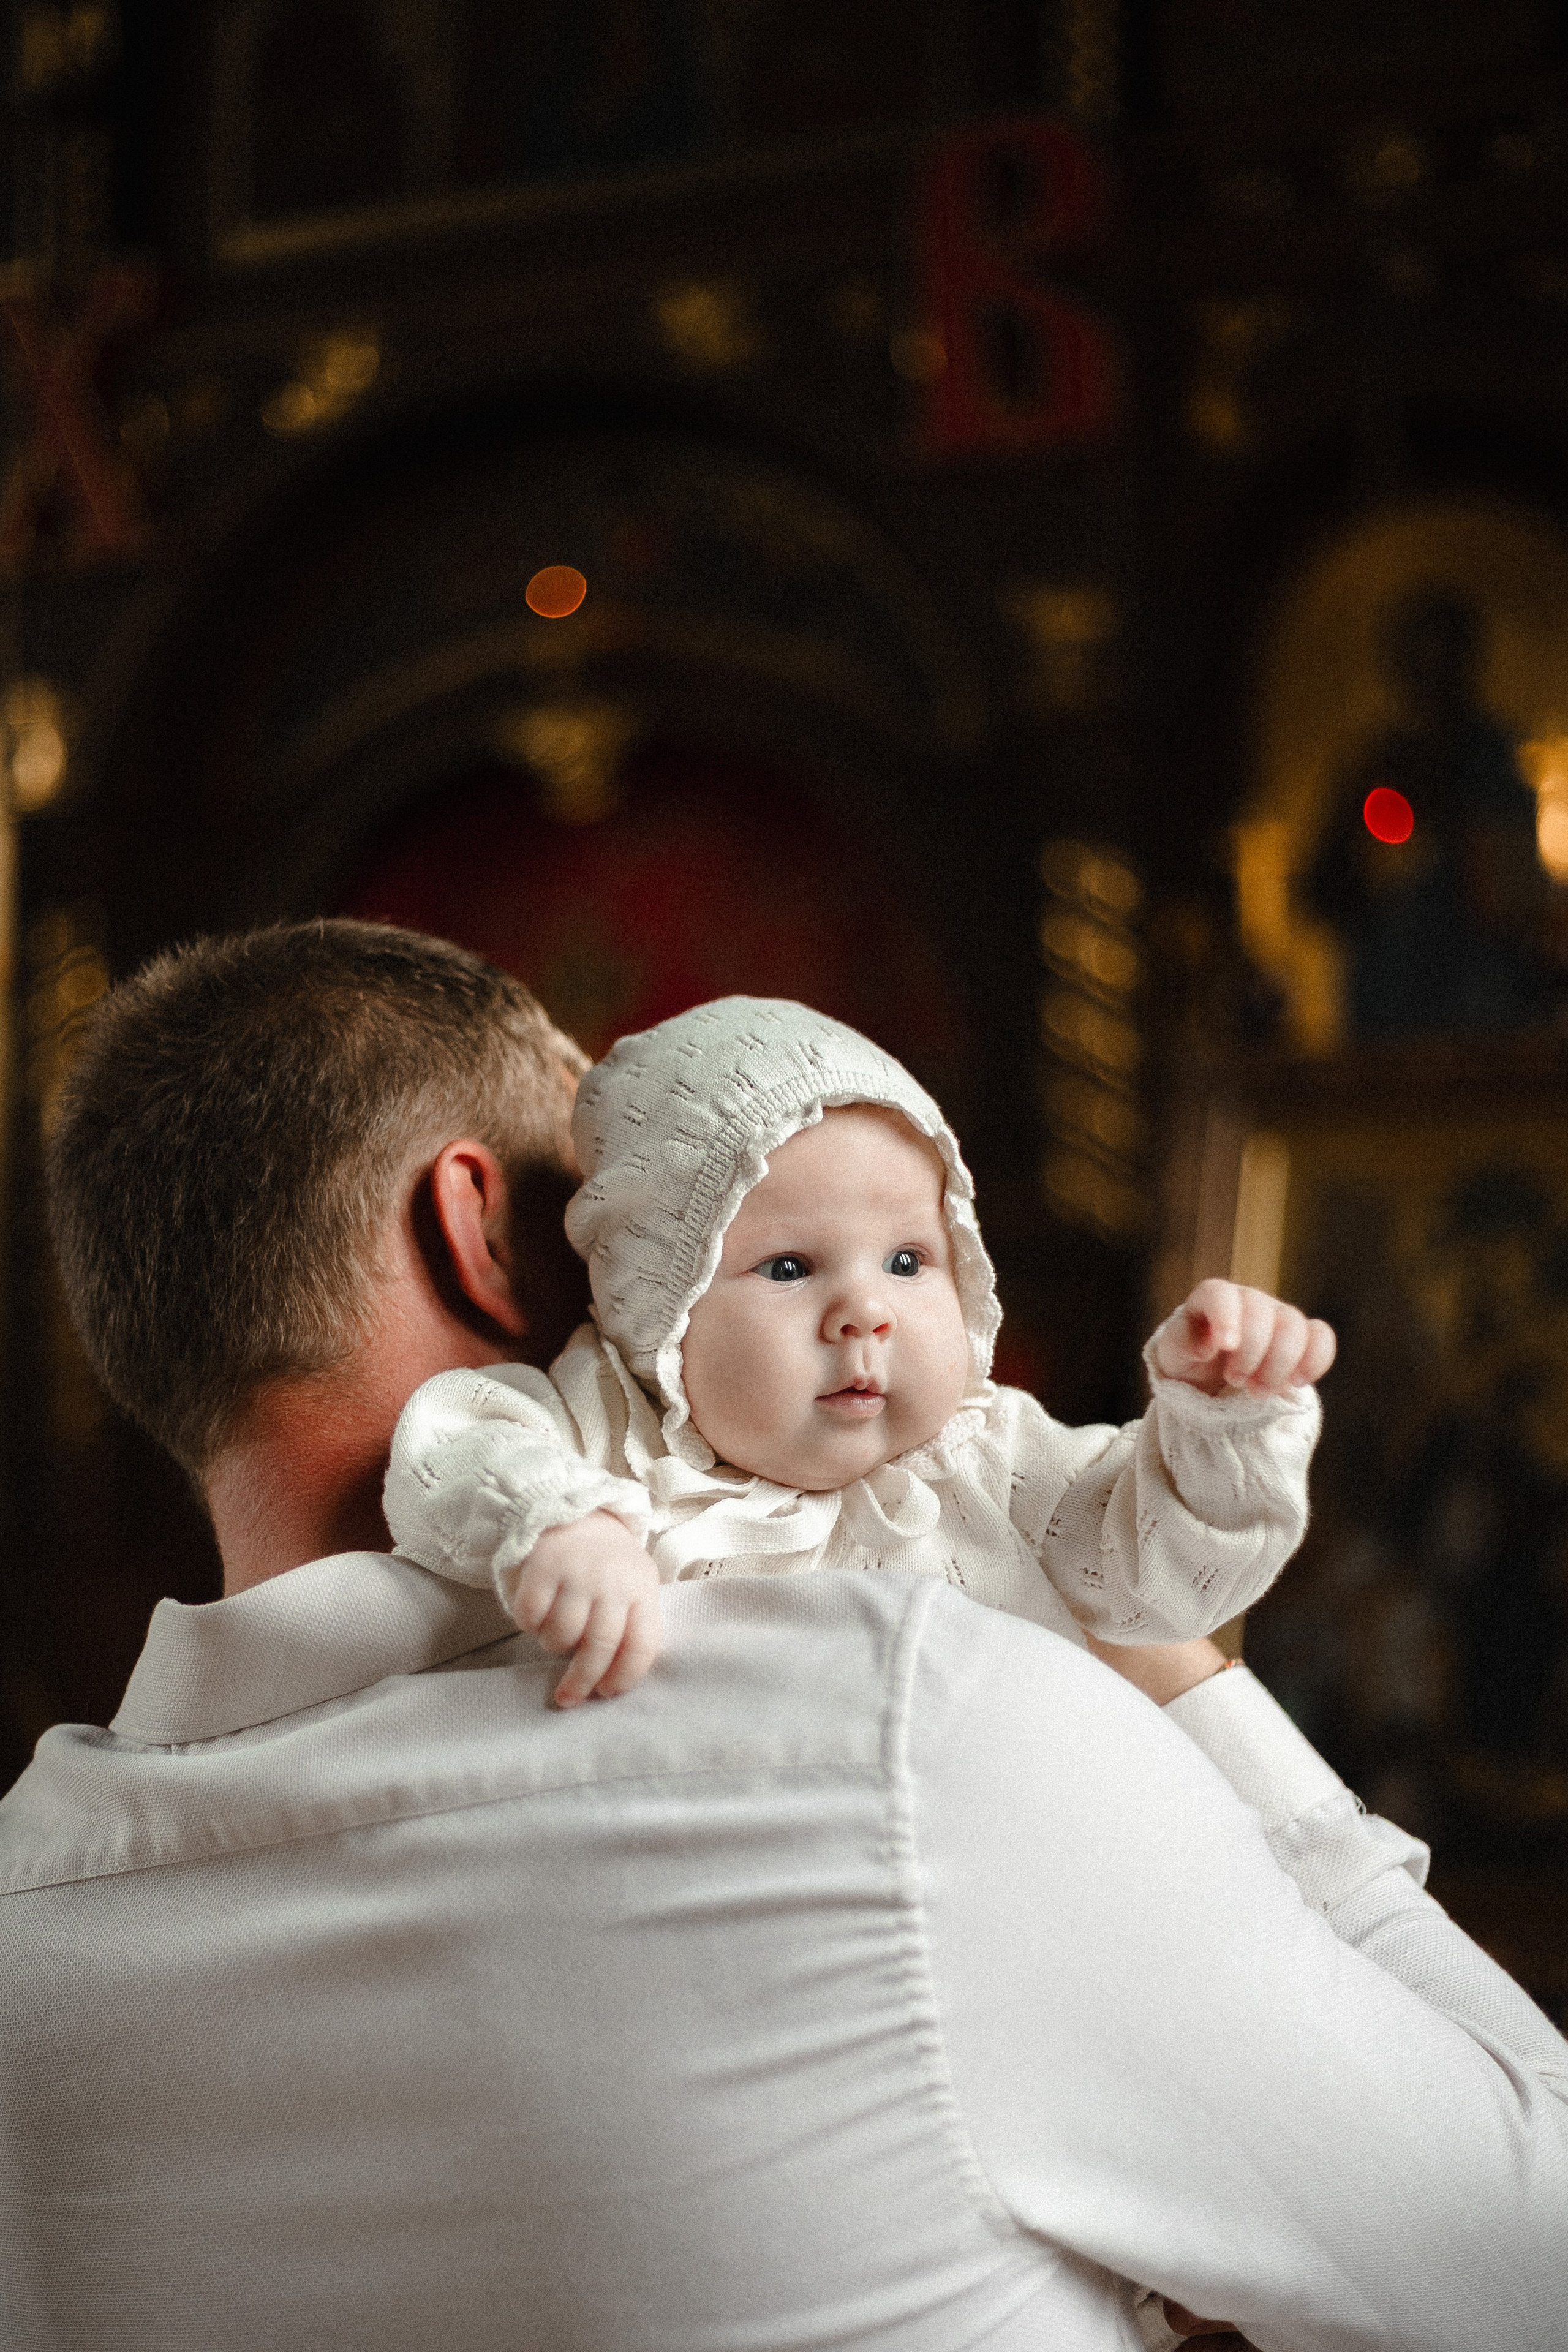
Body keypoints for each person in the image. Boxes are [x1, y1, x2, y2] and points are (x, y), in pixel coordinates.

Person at [3, 919, 1566, 2352]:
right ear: (489, 1234)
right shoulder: (917, 1738)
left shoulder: (27, 1917)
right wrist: (1176, 1680)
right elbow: (1528, 2264)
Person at [385, 997, 1332, 1707]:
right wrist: (560, 1525)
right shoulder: (613, 1433)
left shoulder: (995, 1462)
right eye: (790, 1266)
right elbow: (460, 1433)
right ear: (657, 1313)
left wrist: (1221, 1421)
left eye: (909, 1260)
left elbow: (1161, 1585)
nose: (865, 1314)